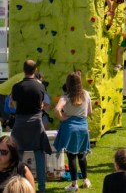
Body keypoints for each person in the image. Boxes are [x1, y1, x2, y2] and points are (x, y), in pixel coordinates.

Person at [11, 60, 51, 193]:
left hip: (20, 122)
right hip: (36, 122)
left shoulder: (17, 86)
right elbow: (41, 104)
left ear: (24, 70)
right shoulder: (40, 86)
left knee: (16, 156)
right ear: (35, 70)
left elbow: (13, 104)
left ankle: (15, 186)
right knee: (39, 154)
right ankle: (42, 188)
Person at [54, 72, 92, 191]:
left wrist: (62, 118)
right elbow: (90, 112)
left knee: (71, 157)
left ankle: (74, 184)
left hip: (70, 128)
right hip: (83, 127)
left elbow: (56, 110)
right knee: (82, 155)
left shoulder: (66, 97)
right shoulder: (86, 94)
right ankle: (85, 180)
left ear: (68, 83)